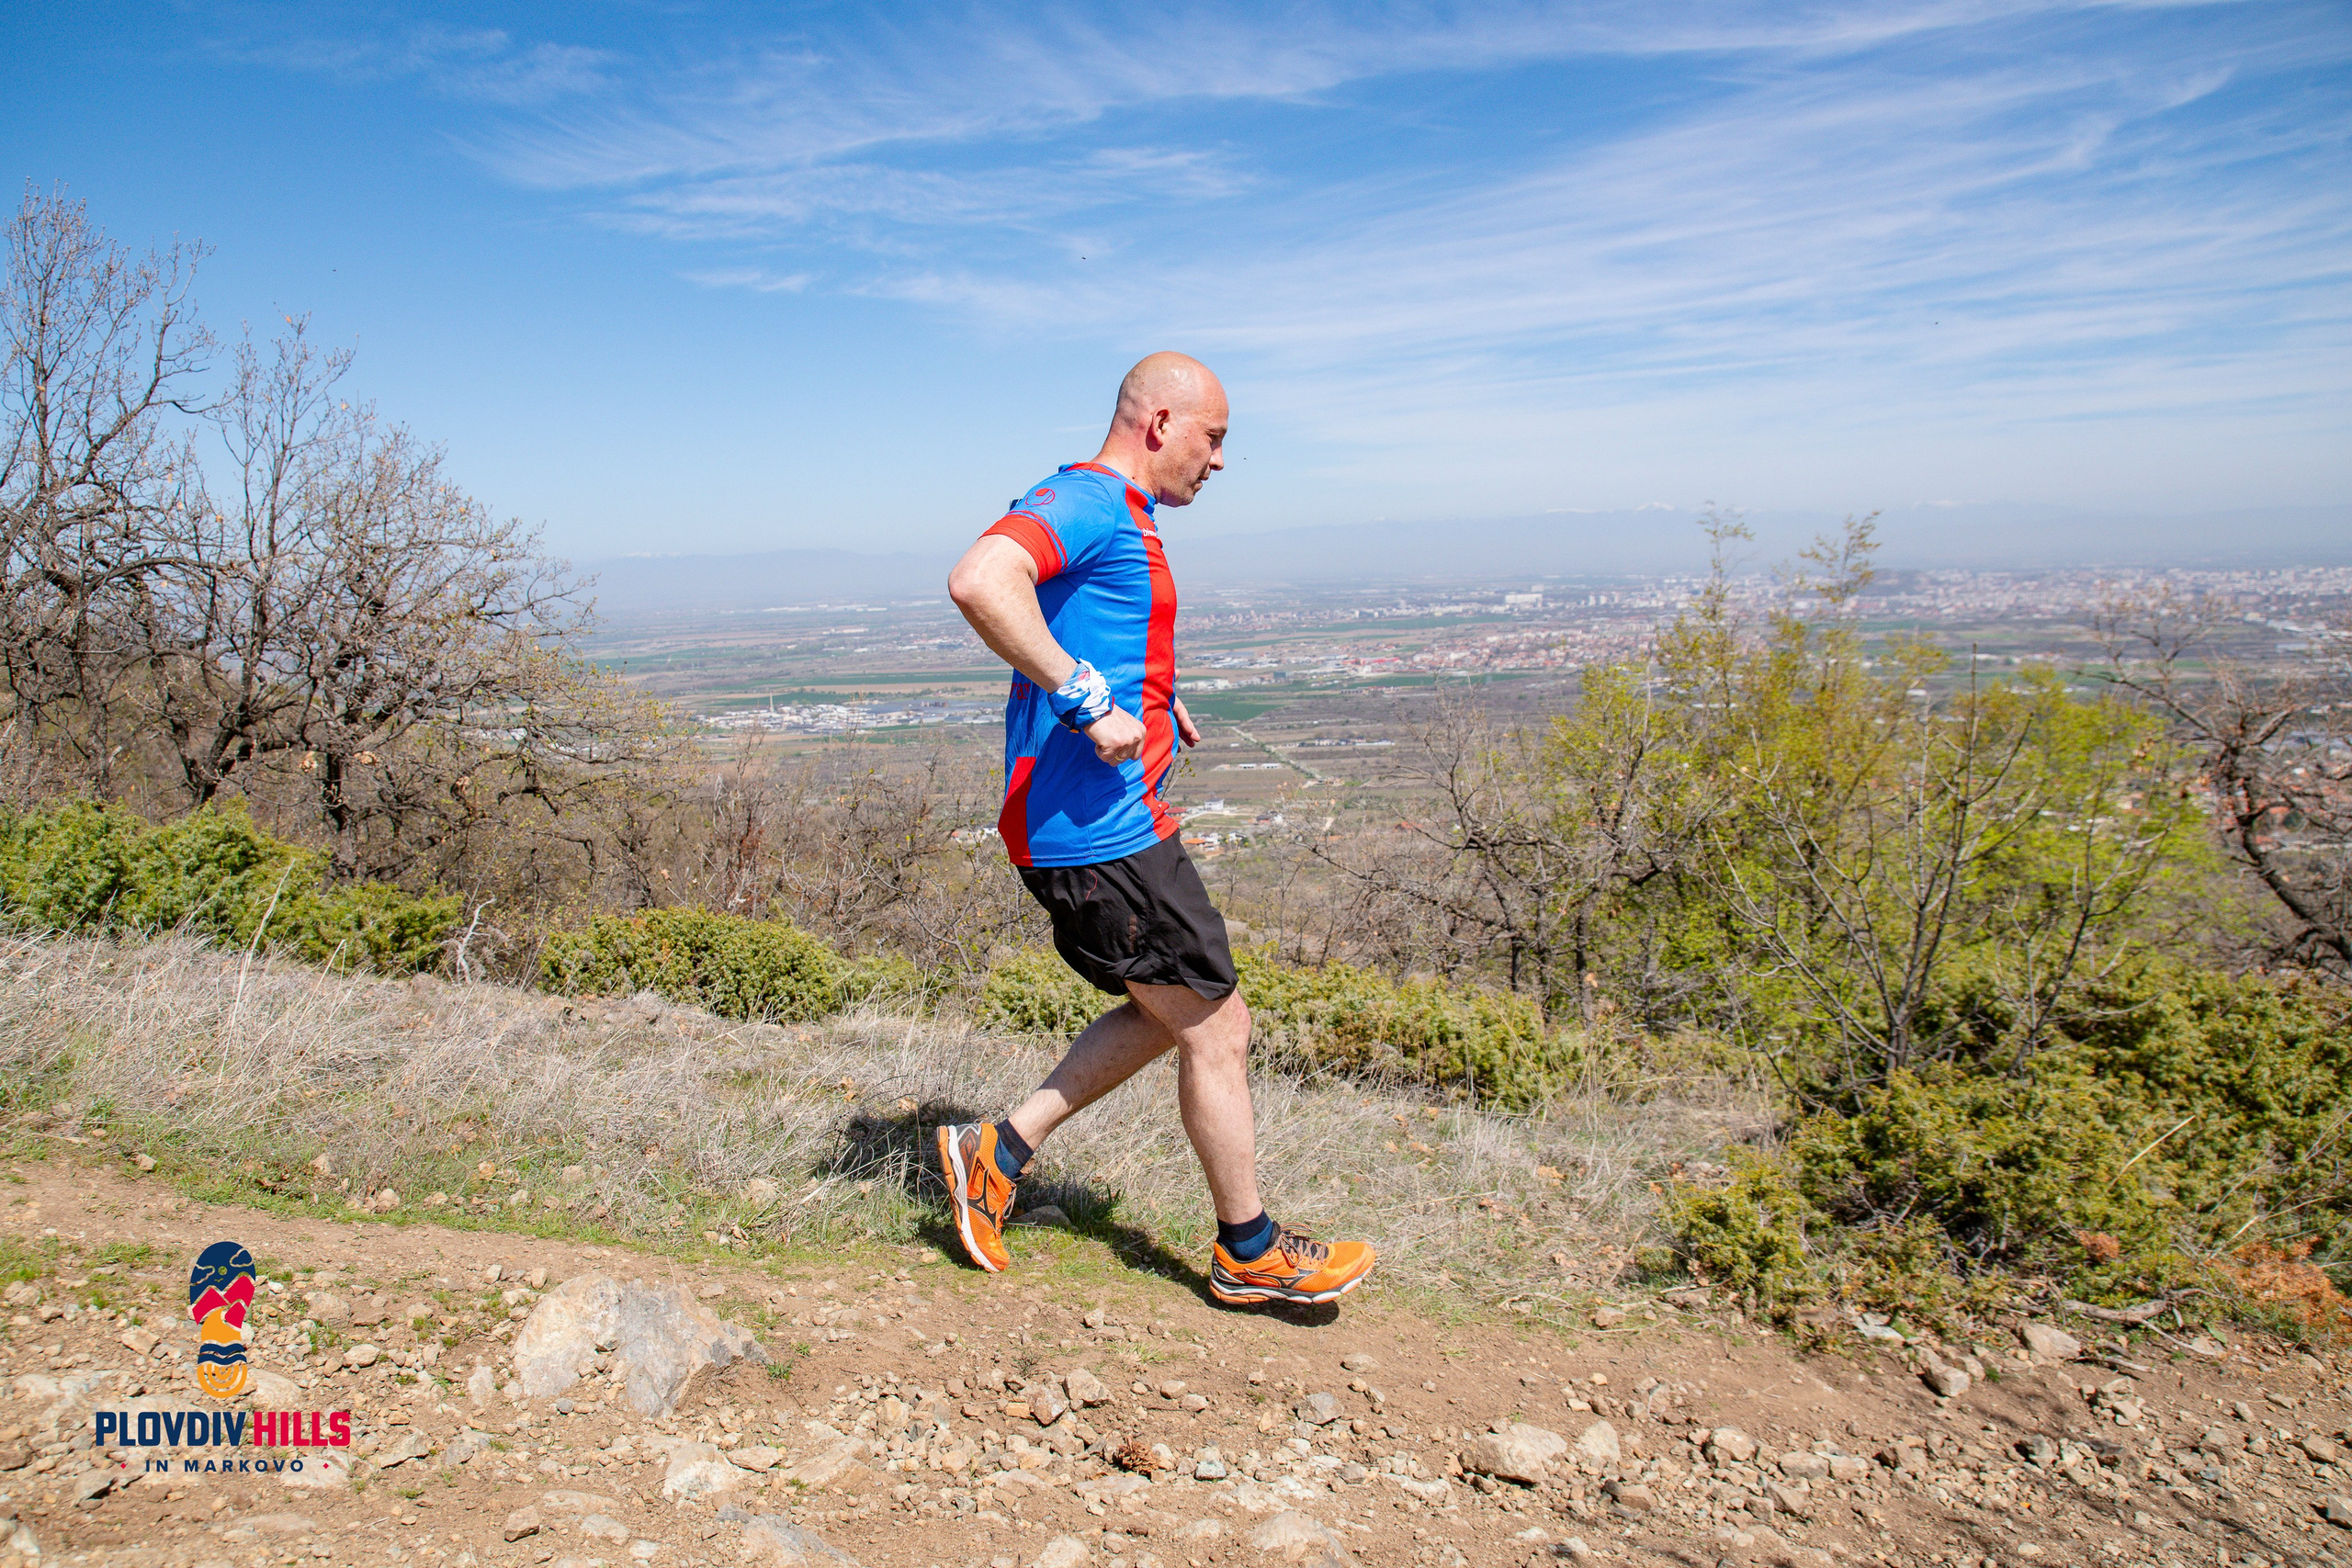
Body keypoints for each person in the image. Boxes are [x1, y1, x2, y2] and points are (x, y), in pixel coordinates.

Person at [936, 352, 1376, 1307]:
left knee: (1167, 1007)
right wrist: (1088, 696)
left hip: (1100, 826)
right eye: (1214, 438)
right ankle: (1246, 1250)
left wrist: (1153, 701)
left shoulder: (1112, 513)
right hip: (1099, 832)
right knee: (1217, 1024)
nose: (1218, 461)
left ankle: (997, 1153)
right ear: (1160, 422)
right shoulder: (1090, 502)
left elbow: (1079, 622)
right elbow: (980, 579)